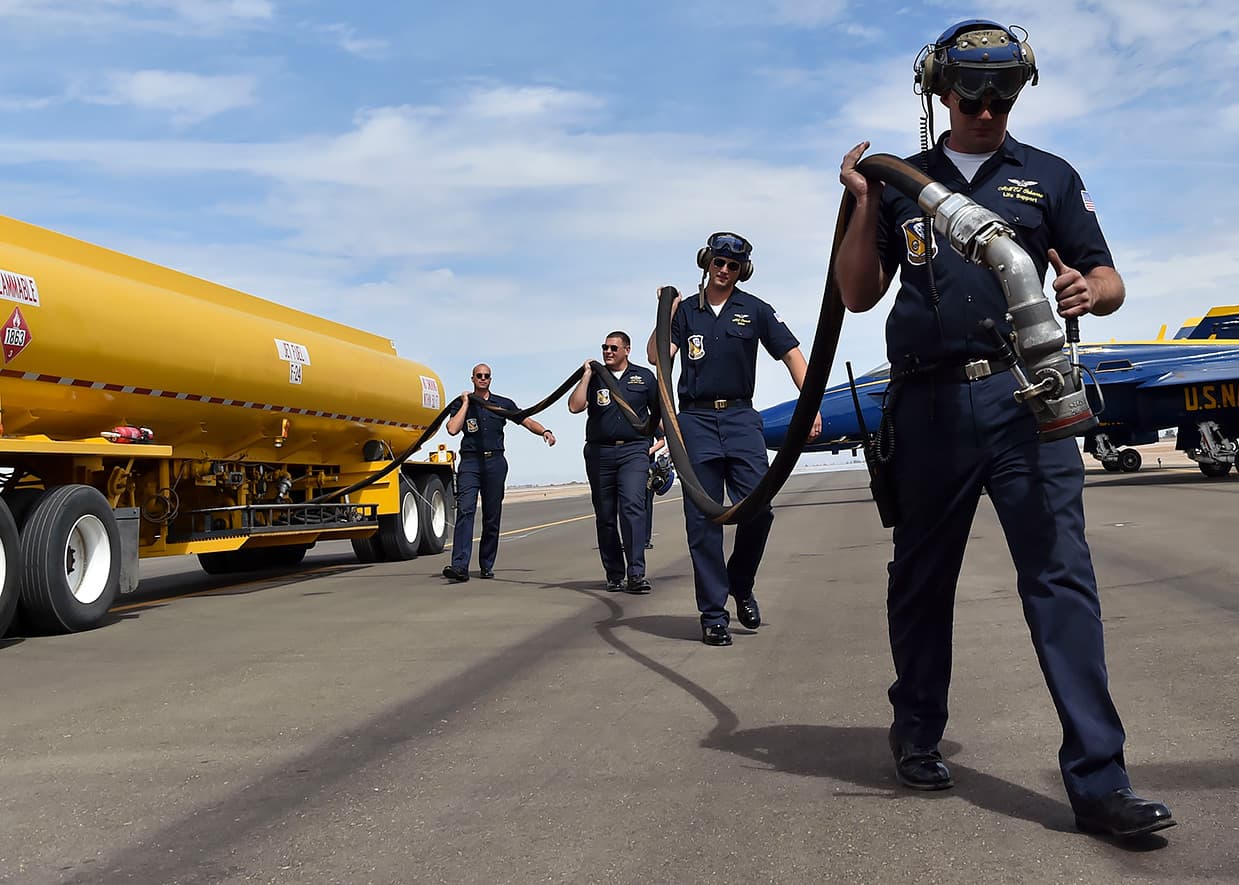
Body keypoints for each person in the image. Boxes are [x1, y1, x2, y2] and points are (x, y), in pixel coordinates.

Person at [835, 19, 1174, 837]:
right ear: (939, 91)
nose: (986, 110)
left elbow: (1106, 275)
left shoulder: (1047, 176)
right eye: (971, 94)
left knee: (1061, 580)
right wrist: (861, 206)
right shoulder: (902, 181)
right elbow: (854, 294)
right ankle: (916, 732)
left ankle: (1099, 781)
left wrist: (1092, 292)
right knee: (921, 579)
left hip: (1030, 401)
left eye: (1002, 94)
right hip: (928, 405)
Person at [647, 232, 821, 646]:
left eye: (733, 266)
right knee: (703, 521)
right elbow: (657, 356)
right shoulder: (686, 312)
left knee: (759, 510)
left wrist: (810, 403)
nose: (724, 271)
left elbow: (792, 354)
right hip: (696, 421)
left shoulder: (755, 310)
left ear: (743, 271)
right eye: (719, 263)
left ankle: (740, 583)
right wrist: (664, 313)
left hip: (742, 418)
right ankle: (713, 615)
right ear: (707, 263)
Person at [442, 364, 556, 582]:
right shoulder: (460, 403)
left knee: (492, 515)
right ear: (472, 378)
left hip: (495, 462)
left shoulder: (502, 404)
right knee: (465, 510)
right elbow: (452, 429)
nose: (482, 378)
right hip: (470, 463)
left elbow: (526, 419)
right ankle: (459, 566)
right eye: (479, 375)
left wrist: (544, 431)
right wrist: (466, 402)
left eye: (486, 376)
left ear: (490, 379)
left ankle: (486, 564)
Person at [568, 332, 659, 593]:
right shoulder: (596, 377)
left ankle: (636, 574)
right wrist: (586, 375)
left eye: (613, 348)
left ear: (627, 350)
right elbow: (574, 406)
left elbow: (658, 413)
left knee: (632, 508)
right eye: (605, 347)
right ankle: (615, 575)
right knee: (605, 515)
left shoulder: (644, 377)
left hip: (634, 450)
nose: (608, 352)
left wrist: (673, 441)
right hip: (600, 453)